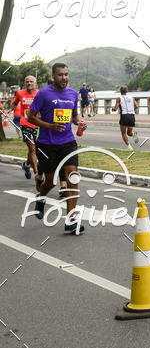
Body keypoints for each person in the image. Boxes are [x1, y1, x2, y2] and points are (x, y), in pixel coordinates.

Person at [27, 63, 86, 234]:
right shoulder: (44, 93)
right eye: (60, 75)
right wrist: (49, 125)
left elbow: (74, 116)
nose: (64, 78)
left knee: (72, 179)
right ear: (53, 76)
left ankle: (71, 220)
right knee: (51, 181)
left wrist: (79, 122)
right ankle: (41, 196)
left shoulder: (73, 93)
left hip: (67, 142)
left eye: (66, 74)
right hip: (46, 144)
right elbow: (30, 116)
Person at [12, 76, 39, 182]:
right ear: (25, 83)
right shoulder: (20, 93)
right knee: (32, 148)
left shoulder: (40, 93)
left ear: (35, 83)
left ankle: (27, 165)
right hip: (25, 124)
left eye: (31, 81)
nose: (29, 83)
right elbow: (15, 103)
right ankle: (37, 174)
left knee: (34, 149)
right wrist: (9, 110)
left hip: (37, 124)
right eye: (27, 81)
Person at [112, 85, 138, 149]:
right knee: (129, 133)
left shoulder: (119, 98)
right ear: (127, 91)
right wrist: (131, 109)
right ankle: (134, 134)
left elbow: (115, 108)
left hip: (124, 116)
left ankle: (129, 147)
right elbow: (137, 106)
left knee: (123, 133)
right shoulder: (132, 97)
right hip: (132, 116)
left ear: (120, 91)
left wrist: (113, 109)